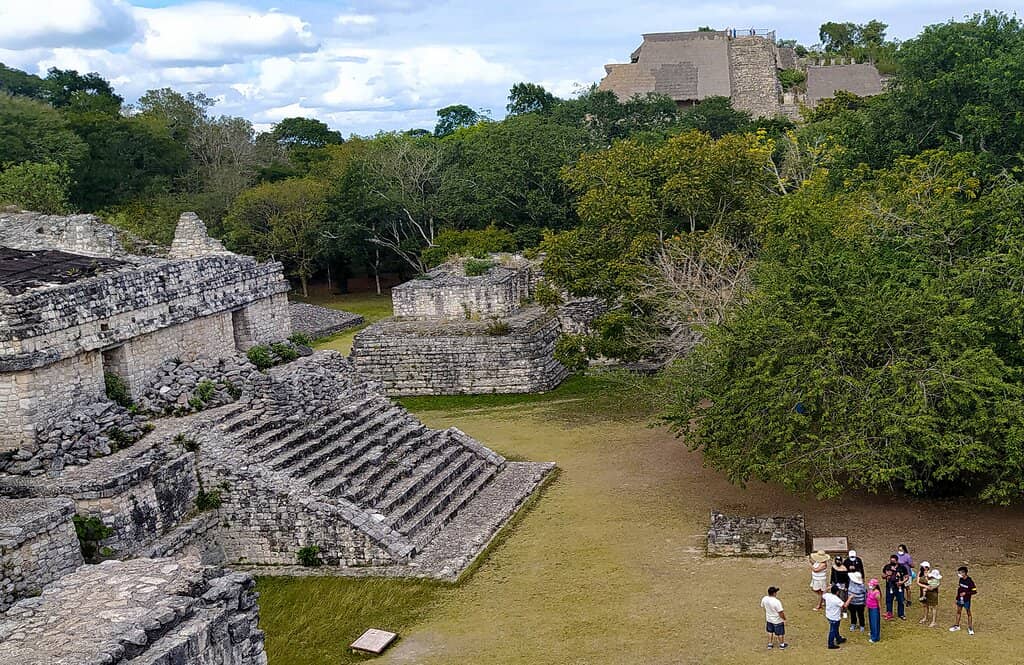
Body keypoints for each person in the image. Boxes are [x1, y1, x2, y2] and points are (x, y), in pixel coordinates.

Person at [823, 583, 852, 649]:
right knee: (833, 630)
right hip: (835, 617)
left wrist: (827, 588)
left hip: (829, 615)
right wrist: (850, 598)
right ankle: (830, 644)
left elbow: (823, 594)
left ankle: (838, 638)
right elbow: (844, 605)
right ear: (837, 592)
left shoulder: (828, 596)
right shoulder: (837, 600)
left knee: (835, 628)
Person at [950, 566, 977, 635]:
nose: (959, 574)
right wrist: (957, 598)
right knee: (958, 611)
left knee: (968, 613)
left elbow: (974, 591)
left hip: (966, 600)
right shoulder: (961, 579)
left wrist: (966, 593)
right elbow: (959, 589)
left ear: (964, 573)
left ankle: (970, 628)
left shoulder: (970, 581)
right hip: (960, 599)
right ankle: (957, 625)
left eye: (960, 572)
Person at [882, 554, 908, 620]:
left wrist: (902, 582)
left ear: (897, 561)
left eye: (893, 561)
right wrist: (886, 575)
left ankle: (901, 614)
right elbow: (883, 575)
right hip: (890, 586)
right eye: (891, 561)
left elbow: (907, 577)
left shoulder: (902, 567)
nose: (892, 562)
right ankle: (889, 614)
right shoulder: (887, 567)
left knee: (901, 600)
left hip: (899, 586)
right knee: (889, 601)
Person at [866, 578, 883, 643]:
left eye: (871, 585)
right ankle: (872, 632)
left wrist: (880, 611)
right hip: (870, 608)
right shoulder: (870, 590)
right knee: (871, 622)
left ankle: (875, 638)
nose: (870, 586)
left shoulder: (877, 593)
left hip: (874, 609)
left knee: (874, 623)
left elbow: (879, 603)